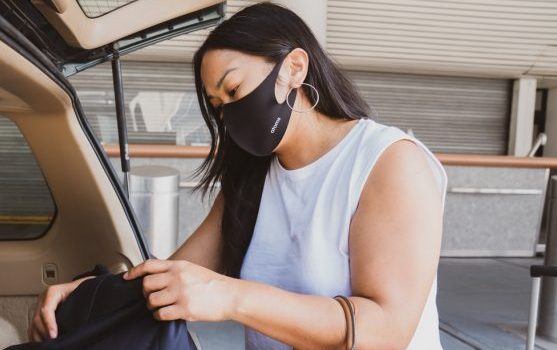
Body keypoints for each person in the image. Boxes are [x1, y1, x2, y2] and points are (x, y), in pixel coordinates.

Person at [29, 3, 447, 349]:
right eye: (217, 105)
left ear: (294, 69)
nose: (228, 114)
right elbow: (174, 278)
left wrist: (231, 297)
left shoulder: (387, 162)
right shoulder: (252, 178)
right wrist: (84, 293)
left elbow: (387, 330)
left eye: (233, 91)